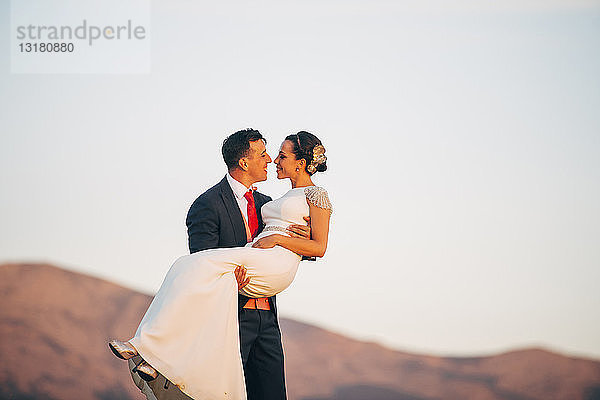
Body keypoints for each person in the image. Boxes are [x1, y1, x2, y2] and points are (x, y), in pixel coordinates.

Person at [109, 130, 332, 400]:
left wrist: (296, 242)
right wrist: (229, 281)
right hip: (230, 315)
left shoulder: (267, 203)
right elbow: (203, 260)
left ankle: (152, 353)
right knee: (188, 268)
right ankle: (152, 353)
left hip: (266, 316)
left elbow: (303, 241)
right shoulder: (207, 205)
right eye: (263, 154)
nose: (270, 159)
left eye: (275, 154)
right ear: (244, 163)